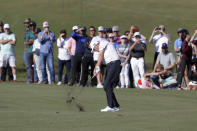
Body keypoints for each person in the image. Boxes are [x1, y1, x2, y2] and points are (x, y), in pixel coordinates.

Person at [95, 39, 121, 112]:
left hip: (114, 63)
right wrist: (97, 68)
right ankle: (116, 105)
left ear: (96, 45)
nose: (95, 50)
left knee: (106, 85)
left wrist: (97, 67)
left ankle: (110, 106)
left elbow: (100, 55)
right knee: (107, 86)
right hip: (110, 65)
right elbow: (101, 59)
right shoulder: (104, 49)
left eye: (94, 49)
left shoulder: (103, 42)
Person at [23, 18, 33, 83]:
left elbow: (32, 40)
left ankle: (33, 79)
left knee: (33, 66)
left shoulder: (32, 30)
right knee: (27, 66)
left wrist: (28, 42)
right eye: (25, 23)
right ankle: (30, 79)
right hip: (26, 49)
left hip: (32, 50)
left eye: (27, 23)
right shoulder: (25, 31)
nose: (26, 24)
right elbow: (26, 40)